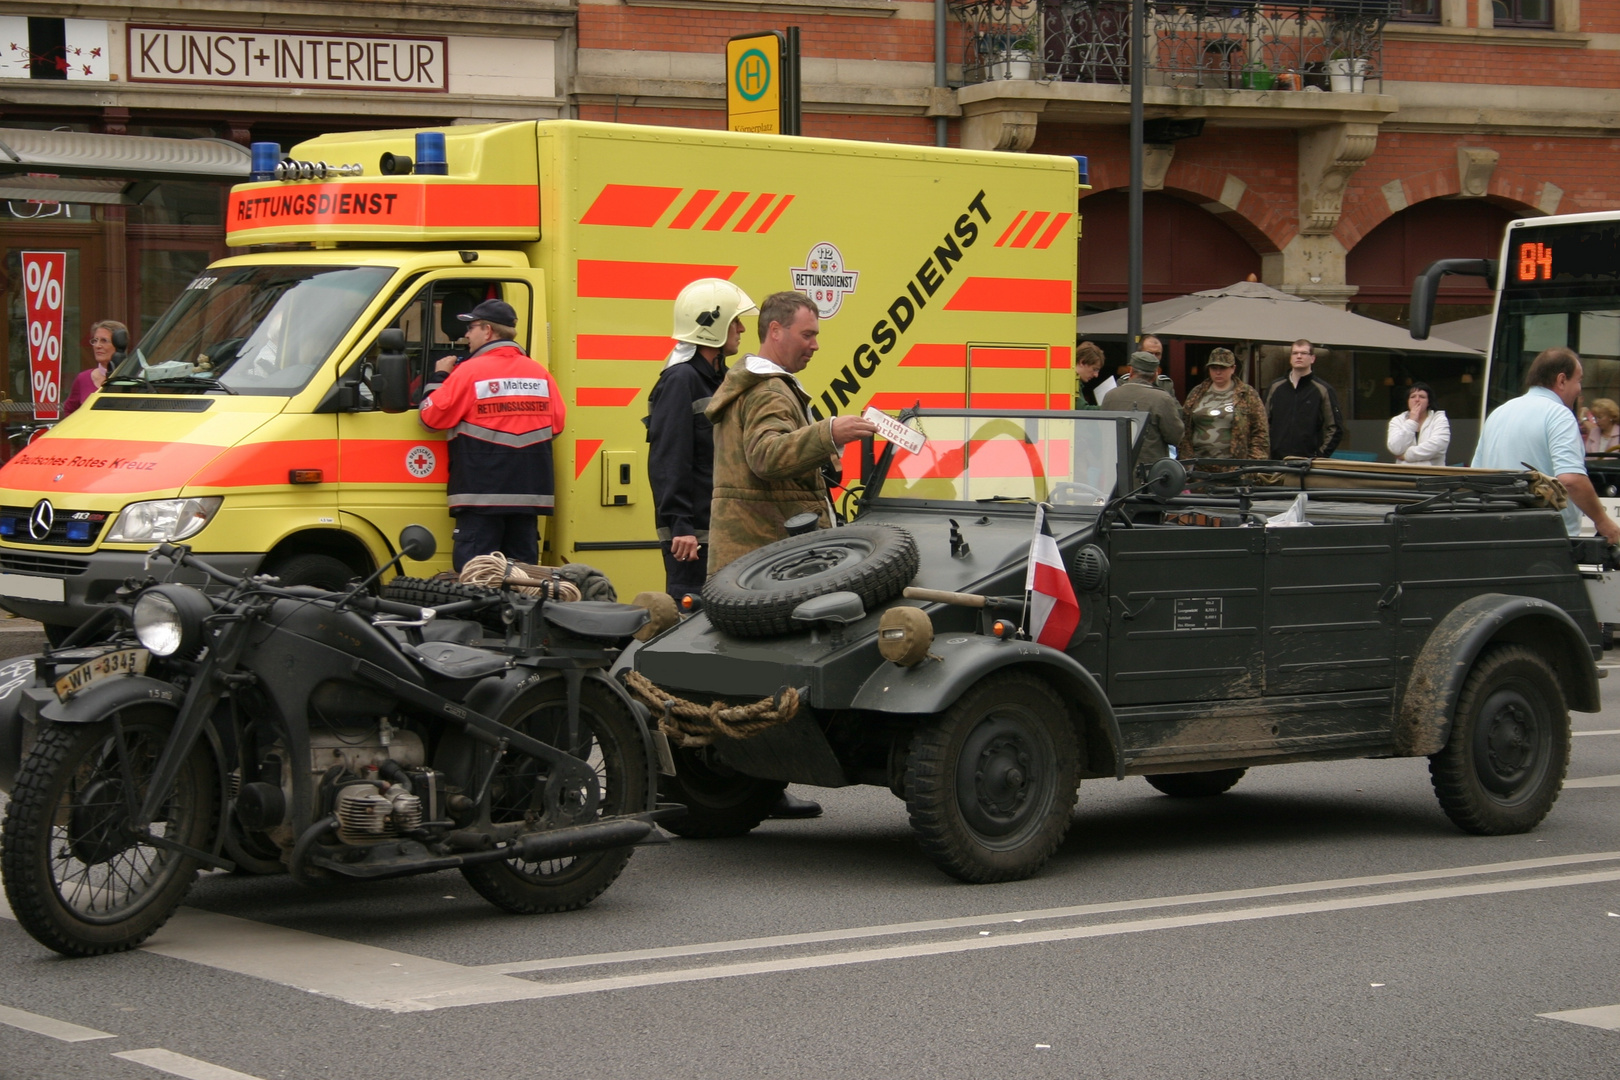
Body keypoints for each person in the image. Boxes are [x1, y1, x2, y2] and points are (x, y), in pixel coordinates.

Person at [705, 291, 877, 576]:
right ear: (775, 331)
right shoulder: (770, 390)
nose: (815, 345)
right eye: (807, 335)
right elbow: (766, 456)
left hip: (751, 557)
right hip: (772, 563)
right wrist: (830, 433)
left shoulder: (755, 385)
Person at [419, 299, 565, 570]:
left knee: (479, 580)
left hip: (481, 495)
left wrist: (439, 377)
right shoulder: (540, 374)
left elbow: (430, 418)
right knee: (524, 584)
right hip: (529, 496)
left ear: (487, 331)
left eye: (471, 327)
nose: (466, 335)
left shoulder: (469, 372)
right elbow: (556, 426)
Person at [646, 278, 757, 601]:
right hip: (693, 539)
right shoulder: (682, 380)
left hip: (720, 532)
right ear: (714, 324)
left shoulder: (717, 379)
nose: (741, 329)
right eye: (735, 321)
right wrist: (681, 526)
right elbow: (670, 459)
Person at [1472, 346, 1620, 543]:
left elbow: (1475, 476)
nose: (1579, 389)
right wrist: (1603, 522)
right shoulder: (1559, 415)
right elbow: (1571, 479)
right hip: (1546, 537)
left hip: (1496, 533)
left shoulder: (1498, 414)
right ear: (1561, 380)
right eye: (1579, 380)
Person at [1178, 348, 1268, 466]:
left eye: (1223, 368)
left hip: (1235, 468)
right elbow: (1183, 428)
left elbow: (1260, 432)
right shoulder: (1197, 393)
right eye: (1214, 368)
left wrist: (1252, 465)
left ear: (1233, 369)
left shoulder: (1247, 394)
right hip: (1198, 468)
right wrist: (1185, 461)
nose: (1218, 372)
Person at [1101, 350, 1184, 470]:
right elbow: (1175, 436)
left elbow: (1103, 432)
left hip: (1115, 471)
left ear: (1131, 371)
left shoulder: (1110, 396)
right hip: (1148, 474)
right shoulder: (1162, 398)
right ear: (1155, 375)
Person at [1265, 339, 1343, 459]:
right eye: (1295, 353)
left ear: (1312, 358)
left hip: (1307, 463)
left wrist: (1320, 455)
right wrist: (1266, 451)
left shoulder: (1323, 390)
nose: (1299, 356)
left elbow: (1335, 428)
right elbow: (1262, 423)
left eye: (1303, 353)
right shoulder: (1275, 387)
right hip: (1276, 461)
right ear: (1290, 358)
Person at [62, 319, 125, 416]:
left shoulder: (134, 378)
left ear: (120, 344)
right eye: (95, 341)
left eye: (104, 341)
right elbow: (69, 411)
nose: (97, 346)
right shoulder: (82, 378)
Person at [1387, 381, 1451, 466]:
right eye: (1413, 397)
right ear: (1408, 401)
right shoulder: (1397, 421)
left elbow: (1437, 446)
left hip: (1432, 475)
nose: (1417, 400)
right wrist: (1412, 421)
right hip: (1404, 475)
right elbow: (1395, 448)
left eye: (1422, 397)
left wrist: (1407, 455)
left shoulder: (1439, 419)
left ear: (1428, 402)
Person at [1124, 334, 1177, 398]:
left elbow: (1175, 407)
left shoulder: (1165, 384)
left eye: (1157, 354)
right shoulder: (1124, 381)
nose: (1153, 357)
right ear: (1140, 353)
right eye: (1150, 353)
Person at [1075, 340, 1105, 407]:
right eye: (1094, 369)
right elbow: (1082, 411)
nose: (1096, 375)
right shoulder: (1072, 383)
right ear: (1082, 362)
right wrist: (1109, 408)